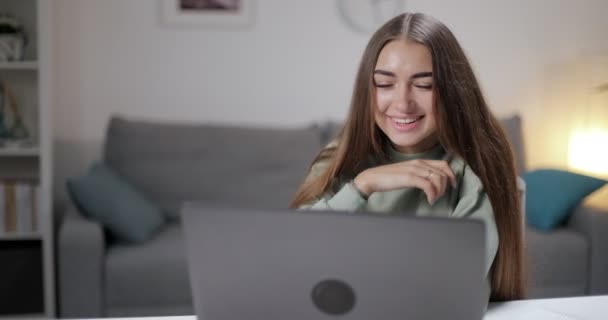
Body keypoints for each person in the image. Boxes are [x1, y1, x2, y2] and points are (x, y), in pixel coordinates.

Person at [289, 12, 525, 302]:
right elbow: (293, 251)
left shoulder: (476, 173)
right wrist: (362, 186)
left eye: (424, 85)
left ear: (452, 91)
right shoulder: (341, 158)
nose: (402, 103)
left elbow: (451, 289)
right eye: (385, 84)